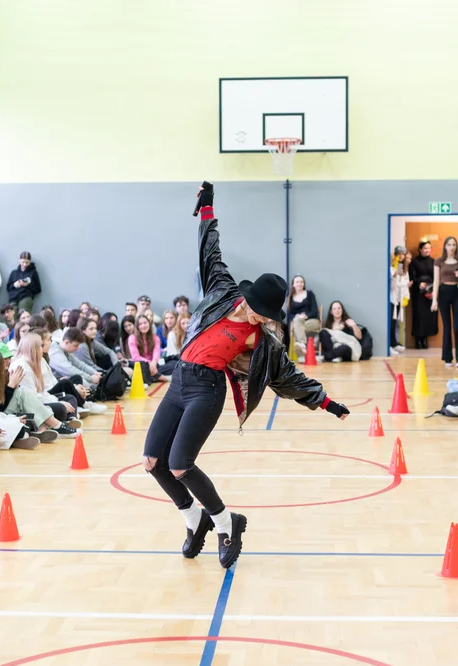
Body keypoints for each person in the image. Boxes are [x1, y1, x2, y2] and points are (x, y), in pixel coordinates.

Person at [143, 182, 349, 569]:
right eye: (257, 310)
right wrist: (207, 207)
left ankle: (226, 524)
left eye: (267, 315)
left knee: (181, 463)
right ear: (247, 298)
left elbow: (287, 376)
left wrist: (326, 402)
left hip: (206, 390)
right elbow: (210, 250)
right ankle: (193, 519)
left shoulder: (262, 340)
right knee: (153, 461)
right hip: (178, 383)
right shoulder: (223, 290)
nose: (260, 317)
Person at [0, 340, 77, 439]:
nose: (8, 361)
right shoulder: (19, 366)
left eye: (9, 357)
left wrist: (14, 386)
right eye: (4, 358)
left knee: (62, 402)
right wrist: (11, 386)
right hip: (1, 415)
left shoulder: (8, 372)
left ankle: (45, 427)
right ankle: (55, 425)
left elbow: (36, 394)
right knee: (57, 407)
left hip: (30, 404)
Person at [10, 333, 81, 431]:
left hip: (41, 399)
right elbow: (32, 398)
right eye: (41, 346)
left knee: (69, 398)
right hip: (29, 405)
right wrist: (57, 401)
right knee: (61, 408)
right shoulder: (21, 367)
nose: (42, 349)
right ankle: (61, 422)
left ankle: (69, 419)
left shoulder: (38, 360)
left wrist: (56, 400)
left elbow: (43, 392)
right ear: (33, 348)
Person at [432, 236, 458, 367]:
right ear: (445, 246)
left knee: (456, 327)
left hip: (457, 292)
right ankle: (447, 358)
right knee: (447, 326)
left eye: (454, 245)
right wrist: (434, 300)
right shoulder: (439, 261)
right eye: (449, 244)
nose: (452, 247)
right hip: (443, 292)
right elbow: (436, 281)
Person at [409, 240, 438, 349]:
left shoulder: (433, 262)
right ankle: (418, 340)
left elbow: (436, 277)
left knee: (428, 317)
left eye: (429, 248)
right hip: (418, 293)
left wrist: (434, 289)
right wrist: (418, 283)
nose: (427, 250)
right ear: (420, 249)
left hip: (430, 292)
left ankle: (425, 339)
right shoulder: (414, 262)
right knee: (419, 316)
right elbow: (411, 276)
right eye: (425, 248)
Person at [287, 275, 321, 360]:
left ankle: (302, 347)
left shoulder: (309, 294)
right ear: (293, 284)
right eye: (297, 282)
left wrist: (306, 316)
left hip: (312, 321)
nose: (299, 284)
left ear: (304, 283)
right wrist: (298, 317)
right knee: (297, 320)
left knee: (296, 325)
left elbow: (315, 312)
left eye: (301, 282)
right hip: (298, 322)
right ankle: (304, 346)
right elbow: (290, 314)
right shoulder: (290, 296)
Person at [129, 315, 168, 382]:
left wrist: (153, 363)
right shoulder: (132, 338)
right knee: (142, 367)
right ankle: (158, 376)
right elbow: (135, 357)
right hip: (141, 365)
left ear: (149, 324)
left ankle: (154, 376)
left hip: (154, 365)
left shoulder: (155, 338)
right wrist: (150, 364)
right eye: (140, 324)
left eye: (145, 323)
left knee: (171, 364)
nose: (143, 326)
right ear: (137, 327)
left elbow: (156, 353)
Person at [389, 246, 410, 354]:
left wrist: (406, 297)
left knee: (396, 322)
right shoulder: (391, 268)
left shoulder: (405, 269)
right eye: (399, 254)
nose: (401, 256)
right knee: (391, 322)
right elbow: (393, 285)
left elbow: (406, 284)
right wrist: (395, 274)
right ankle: (390, 344)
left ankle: (395, 343)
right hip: (392, 298)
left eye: (403, 254)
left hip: (399, 299)